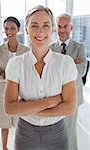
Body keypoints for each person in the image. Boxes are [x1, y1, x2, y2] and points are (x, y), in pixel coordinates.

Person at [4, 6, 78, 150]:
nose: (40, 31)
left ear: (52, 29)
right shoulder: (15, 64)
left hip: (57, 134)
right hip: (25, 134)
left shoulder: (66, 63)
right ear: (26, 29)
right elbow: (9, 109)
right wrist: (51, 102)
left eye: (46, 25)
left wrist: (25, 108)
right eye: (34, 25)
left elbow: (69, 108)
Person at [0, 16, 29, 150]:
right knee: (4, 127)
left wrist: (6, 74)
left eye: (12, 28)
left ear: (18, 29)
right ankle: (4, 148)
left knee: (21, 126)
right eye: (7, 28)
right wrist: (14, 77)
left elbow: (27, 76)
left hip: (20, 94)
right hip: (2, 93)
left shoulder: (26, 51)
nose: (9, 31)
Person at [50, 14, 87, 150]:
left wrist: (59, 66)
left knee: (70, 131)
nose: (62, 30)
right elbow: (49, 73)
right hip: (54, 96)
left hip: (74, 96)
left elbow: (81, 71)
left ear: (71, 27)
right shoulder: (50, 48)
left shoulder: (79, 47)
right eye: (59, 26)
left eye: (65, 26)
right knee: (55, 131)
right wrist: (72, 62)